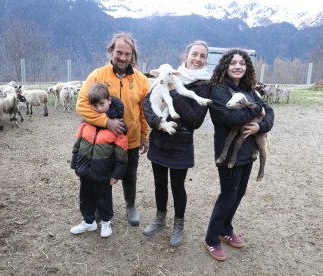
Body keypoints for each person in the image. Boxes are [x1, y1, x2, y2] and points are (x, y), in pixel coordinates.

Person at [203, 49, 274, 261]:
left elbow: (268, 112)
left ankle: (225, 229)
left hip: (247, 151)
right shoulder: (219, 90)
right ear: (225, 65)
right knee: (227, 195)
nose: (237, 66)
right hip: (227, 155)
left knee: (239, 193)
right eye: (233, 62)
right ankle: (211, 238)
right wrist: (256, 110)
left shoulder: (249, 90)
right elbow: (230, 117)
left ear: (246, 67)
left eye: (242, 63)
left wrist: (260, 127)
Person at [142, 40, 212, 247]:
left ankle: (178, 225)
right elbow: (147, 102)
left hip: (181, 144)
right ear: (186, 56)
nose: (198, 59)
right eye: (194, 54)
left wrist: (173, 90)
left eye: (202, 56)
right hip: (159, 139)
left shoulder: (204, 86)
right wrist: (158, 123)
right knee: (159, 184)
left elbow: (195, 120)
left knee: (177, 186)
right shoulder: (167, 73)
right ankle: (160, 220)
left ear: (206, 60)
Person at [76, 32, 150, 226]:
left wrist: (144, 136)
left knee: (129, 175)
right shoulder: (97, 75)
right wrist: (106, 122)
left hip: (130, 140)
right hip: (103, 142)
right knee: (100, 177)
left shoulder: (142, 80)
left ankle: (130, 205)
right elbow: (82, 106)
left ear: (132, 55)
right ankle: (101, 208)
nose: (123, 58)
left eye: (128, 54)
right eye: (119, 52)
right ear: (111, 51)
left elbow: (144, 112)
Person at [70, 83, 128, 237]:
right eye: (94, 106)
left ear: (109, 100)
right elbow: (78, 144)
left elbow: (121, 153)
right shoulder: (86, 123)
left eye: (102, 104)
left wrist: (116, 174)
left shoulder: (117, 126)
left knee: (103, 197)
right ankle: (89, 222)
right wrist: (75, 164)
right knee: (85, 196)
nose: (98, 109)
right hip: (85, 170)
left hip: (103, 172)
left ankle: (106, 221)